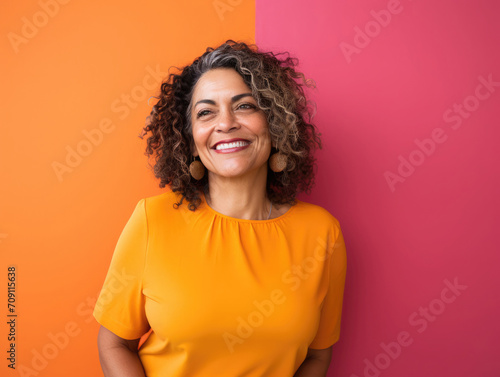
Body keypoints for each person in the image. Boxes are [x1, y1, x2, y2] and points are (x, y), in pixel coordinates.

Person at [93, 39, 347, 377]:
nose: (225, 123)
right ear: (191, 139)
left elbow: (318, 356)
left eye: (245, 106)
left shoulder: (322, 234)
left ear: (274, 123)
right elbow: (114, 343)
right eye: (206, 112)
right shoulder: (152, 221)